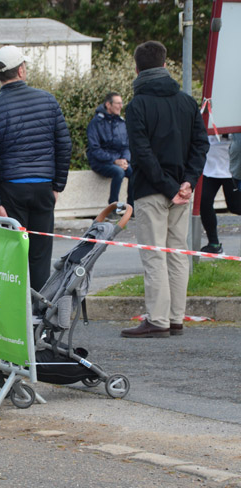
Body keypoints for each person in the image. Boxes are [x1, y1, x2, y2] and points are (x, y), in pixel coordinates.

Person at [120, 41, 209, 339]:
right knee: (178, 253)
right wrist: (188, 182)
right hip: (182, 190)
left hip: (151, 190)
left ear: (137, 69)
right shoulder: (187, 102)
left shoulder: (137, 106)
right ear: (165, 65)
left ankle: (157, 320)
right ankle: (175, 318)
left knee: (154, 255)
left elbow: (142, 153)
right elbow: (201, 145)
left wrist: (169, 187)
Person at [0, 45, 72, 292]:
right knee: (40, 256)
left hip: (11, 191)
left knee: (13, 256)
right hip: (43, 187)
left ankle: (16, 310)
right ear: (21, 70)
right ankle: (39, 309)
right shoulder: (47, 100)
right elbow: (64, 145)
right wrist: (57, 186)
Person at [86, 91, 134, 211]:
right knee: (119, 172)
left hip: (118, 161)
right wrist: (114, 161)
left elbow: (126, 146)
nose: (120, 106)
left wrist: (125, 160)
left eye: (121, 103)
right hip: (100, 162)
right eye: (118, 103)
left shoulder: (121, 123)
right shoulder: (96, 123)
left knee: (134, 171)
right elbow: (95, 149)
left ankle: (131, 208)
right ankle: (113, 208)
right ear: (108, 105)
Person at [199, 135, 241, 254]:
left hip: (232, 165)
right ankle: (214, 244)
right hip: (210, 165)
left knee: (236, 207)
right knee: (204, 202)